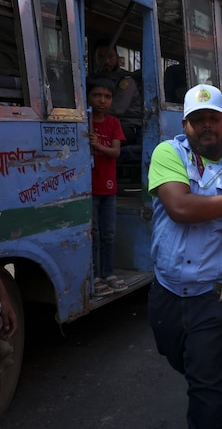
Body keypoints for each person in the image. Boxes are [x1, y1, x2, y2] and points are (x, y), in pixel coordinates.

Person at [147, 84, 222, 428]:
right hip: (167, 290)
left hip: (213, 297)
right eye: (197, 120)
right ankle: (218, 375)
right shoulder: (168, 154)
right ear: (185, 125)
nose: (206, 126)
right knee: (176, 357)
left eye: (212, 119)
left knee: (203, 388)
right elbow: (180, 207)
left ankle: (214, 378)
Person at [87, 76, 128, 296]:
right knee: (93, 233)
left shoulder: (113, 123)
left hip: (108, 187)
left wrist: (97, 145)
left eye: (107, 96)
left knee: (108, 233)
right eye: (97, 95)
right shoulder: (84, 121)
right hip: (88, 188)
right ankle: (94, 276)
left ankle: (108, 273)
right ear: (88, 97)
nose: (102, 100)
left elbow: (116, 152)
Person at [93, 40, 143, 159]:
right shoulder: (95, 79)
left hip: (128, 126)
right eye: (101, 57)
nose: (106, 61)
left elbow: (117, 109)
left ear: (117, 57)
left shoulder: (126, 81)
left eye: (110, 57)